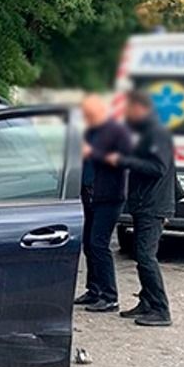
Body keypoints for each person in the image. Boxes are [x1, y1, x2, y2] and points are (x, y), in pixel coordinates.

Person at [104, 91, 177, 326]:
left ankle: (160, 309)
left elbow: (158, 167)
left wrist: (123, 160)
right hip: (145, 202)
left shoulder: (157, 132)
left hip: (153, 204)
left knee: (146, 257)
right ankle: (147, 301)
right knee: (141, 254)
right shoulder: (147, 131)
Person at [75, 95, 131, 312]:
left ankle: (110, 296)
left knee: (99, 244)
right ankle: (94, 289)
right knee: (88, 244)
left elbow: (124, 160)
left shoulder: (117, 132)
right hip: (89, 194)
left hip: (109, 196)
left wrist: (94, 153)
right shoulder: (89, 131)